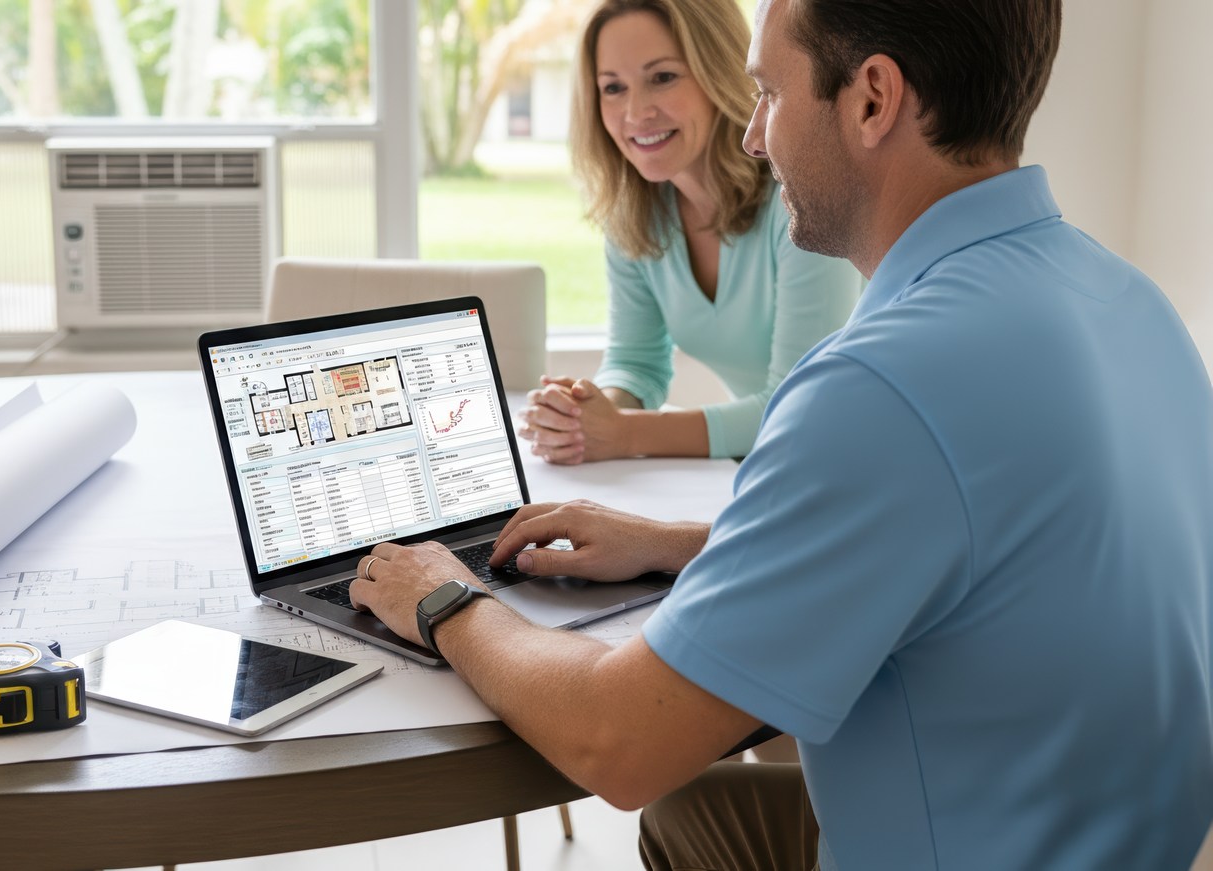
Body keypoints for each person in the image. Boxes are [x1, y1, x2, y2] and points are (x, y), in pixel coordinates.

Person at [352, 0, 1213, 868]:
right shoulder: (1132, 303)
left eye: (768, 92)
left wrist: (444, 594)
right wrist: (681, 543)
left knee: (668, 779)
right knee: (696, 816)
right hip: (1118, 839)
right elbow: (970, 538)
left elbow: (616, 742)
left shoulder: (878, 386)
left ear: (873, 98)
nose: (756, 135)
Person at [518, 0, 860, 464]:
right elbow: (635, 364)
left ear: (718, 71)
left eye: (662, 77)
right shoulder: (637, 214)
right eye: (613, 87)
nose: (635, 113)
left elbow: (798, 405)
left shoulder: (799, 198)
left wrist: (624, 434)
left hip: (860, 464)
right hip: (764, 468)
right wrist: (584, 416)